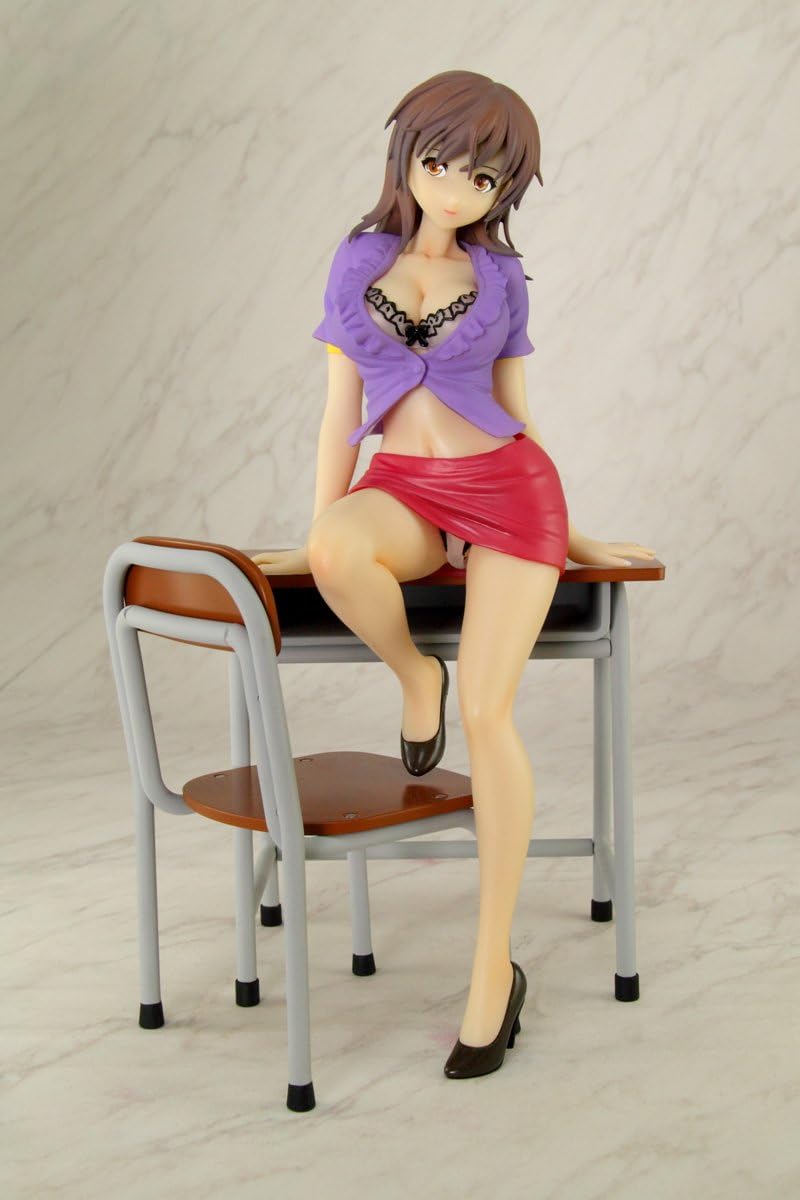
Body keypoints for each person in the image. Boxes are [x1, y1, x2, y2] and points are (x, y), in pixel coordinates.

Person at [252, 70, 656, 1078]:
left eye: (483, 177)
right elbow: (340, 414)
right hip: (403, 489)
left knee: (489, 713)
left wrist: (576, 533)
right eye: (439, 162)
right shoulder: (356, 261)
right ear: (406, 156)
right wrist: (314, 528)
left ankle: (491, 970)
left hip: (508, 491)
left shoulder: (502, 277)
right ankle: (412, 674)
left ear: (501, 190)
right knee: (341, 551)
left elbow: (517, 411)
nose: (456, 187)